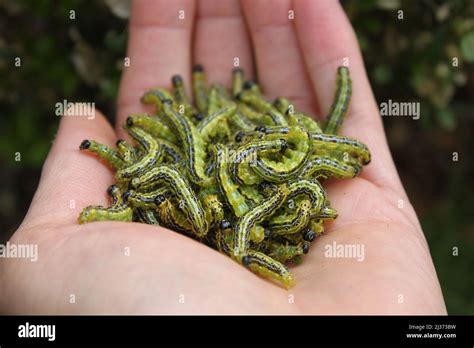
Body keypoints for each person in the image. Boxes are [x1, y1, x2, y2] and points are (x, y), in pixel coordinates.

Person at [0, 0, 446, 314]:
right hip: (218, 179)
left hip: (250, 185)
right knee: (197, 170)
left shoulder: (279, 182)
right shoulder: (186, 178)